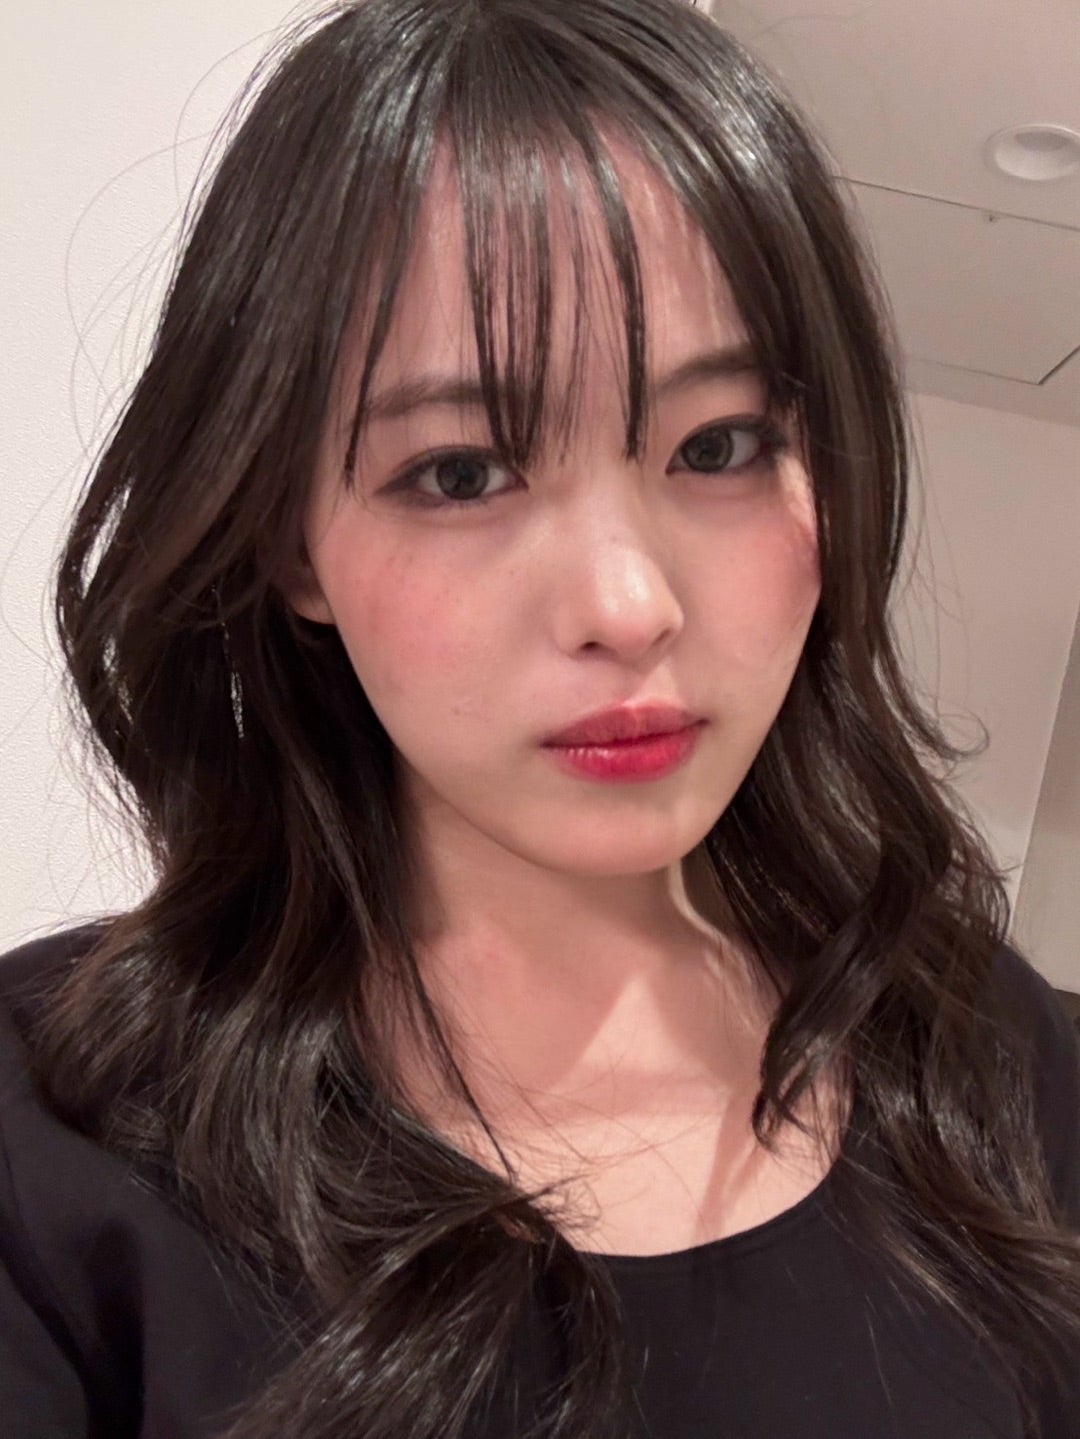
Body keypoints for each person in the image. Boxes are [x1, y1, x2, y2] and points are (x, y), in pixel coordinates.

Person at [1, 0, 1078, 1435]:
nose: (629, 606)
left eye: (720, 445)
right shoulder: (54, 1136)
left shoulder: (988, 1059)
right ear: (289, 543)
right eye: (460, 473)